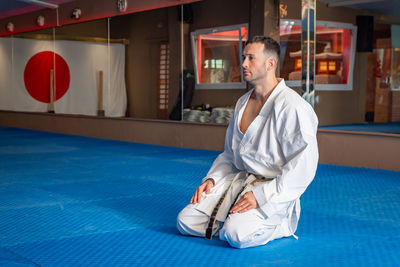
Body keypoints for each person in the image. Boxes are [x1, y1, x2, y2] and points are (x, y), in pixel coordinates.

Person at [177, 36, 319, 249]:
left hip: (272, 188)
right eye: (244, 57)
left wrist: (261, 196)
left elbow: (303, 167)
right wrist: (213, 180)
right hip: (239, 181)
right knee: (186, 221)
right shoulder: (243, 102)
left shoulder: (292, 107)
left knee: (236, 236)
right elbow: (229, 154)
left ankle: (280, 224)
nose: (243, 64)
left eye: (251, 58)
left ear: (270, 64)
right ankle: (232, 218)